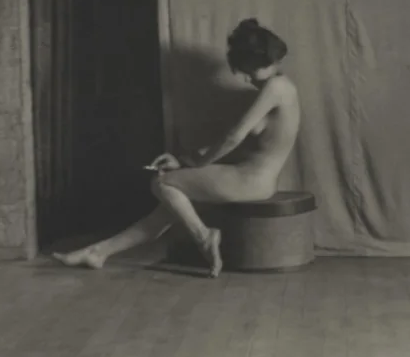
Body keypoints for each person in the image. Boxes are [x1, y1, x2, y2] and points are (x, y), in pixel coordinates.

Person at [54, 18, 300, 278]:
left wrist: (197, 164)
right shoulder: (282, 87)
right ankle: (98, 253)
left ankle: (204, 237)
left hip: (250, 180)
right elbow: (243, 140)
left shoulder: (276, 88)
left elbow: (233, 138)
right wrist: (186, 160)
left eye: (247, 70)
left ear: (258, 61)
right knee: (167, 210)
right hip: (255, 178)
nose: (245, 77)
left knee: (162, 184)